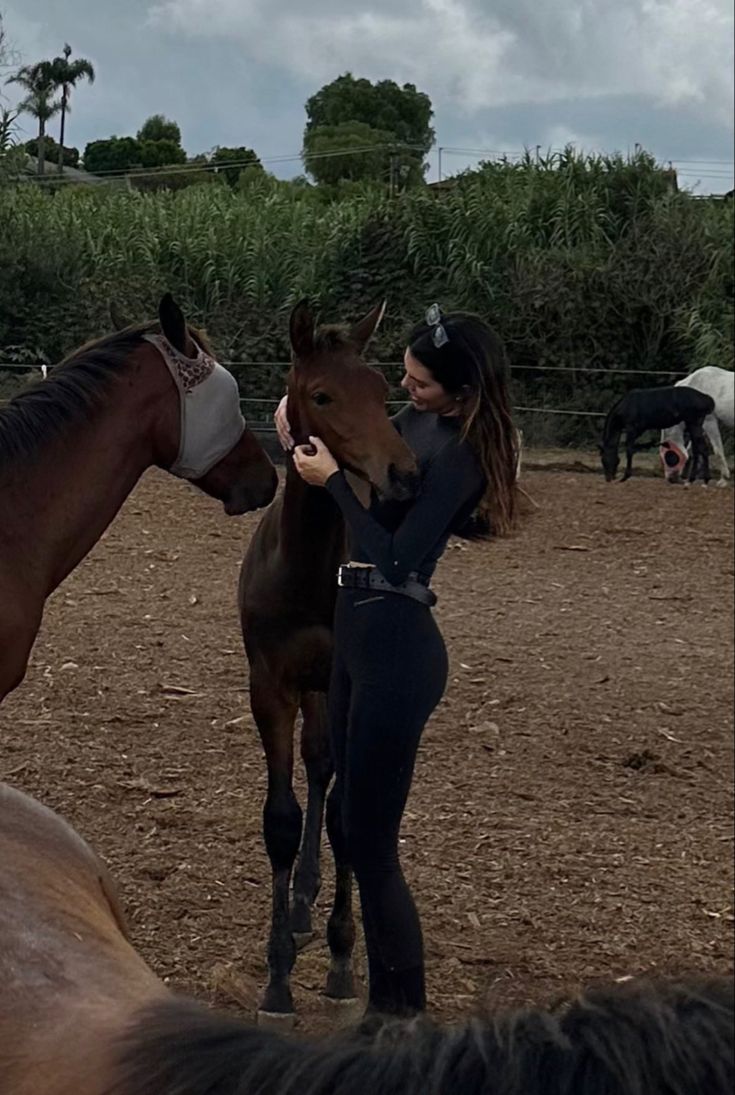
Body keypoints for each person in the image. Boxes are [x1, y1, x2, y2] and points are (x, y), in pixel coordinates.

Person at [276, 305, 519, 1018]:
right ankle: (386, 1009)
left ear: (458, 388)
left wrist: (330, 487)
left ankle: (400, 1012)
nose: (408, 392)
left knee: (373, 847)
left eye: (419, 384)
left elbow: (391, 554)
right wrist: (303, 440)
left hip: (396, 649)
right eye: (403, 379)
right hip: (357, 632)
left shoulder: (461, 457)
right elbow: (357, 472)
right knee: (349, 824)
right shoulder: (409, 431)